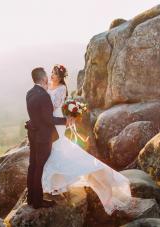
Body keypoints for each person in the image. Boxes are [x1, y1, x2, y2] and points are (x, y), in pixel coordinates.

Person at [41, 64, 134, 214]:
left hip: (56, 122)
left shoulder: (61, 89)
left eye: (56, 74)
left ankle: (56, 183)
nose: (52, 75)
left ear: (61, 77)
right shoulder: (49, 86)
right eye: (52, 72)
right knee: (55, 150)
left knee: (56, 149)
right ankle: (54, 184)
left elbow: (53, 106)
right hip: (50, 122)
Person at [25, 67, 74, 209]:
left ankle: (30, 198)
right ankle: (38, 201)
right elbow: (48, 119)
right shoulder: (44, 96)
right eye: (48, 75)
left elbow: (35, 115)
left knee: (32, 166)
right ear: (44, 79)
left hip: (33, 135)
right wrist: (66, 121)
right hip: (43, 137)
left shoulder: (30, 93)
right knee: (39, 168)